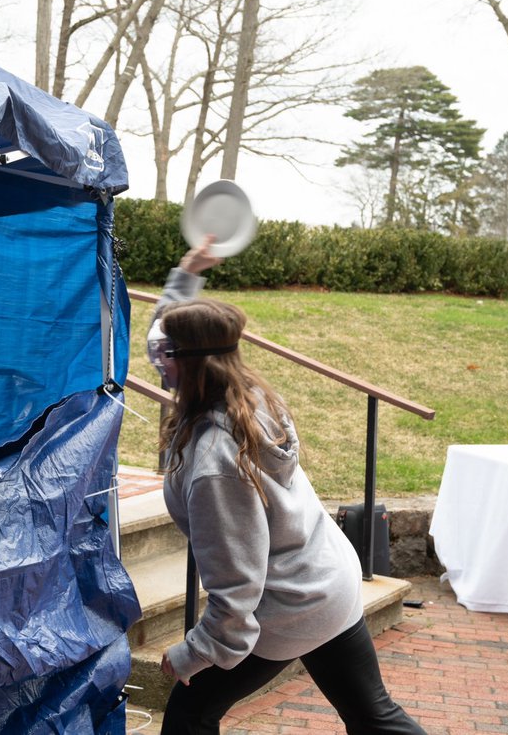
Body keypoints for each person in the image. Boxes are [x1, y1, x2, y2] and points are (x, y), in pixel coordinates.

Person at [150, 236, 426, 735]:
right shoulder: (246, 394)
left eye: (166, 354)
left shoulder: (217, 465)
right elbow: (165, 338)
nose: (155, 360)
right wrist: (188, 270)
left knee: (191, 714)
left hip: (291, 602)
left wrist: (194, 652)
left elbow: (237, 587)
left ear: (187, 365)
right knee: (373, 716)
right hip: (323, 579)